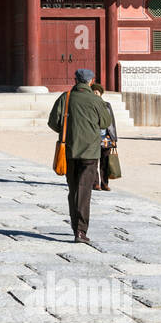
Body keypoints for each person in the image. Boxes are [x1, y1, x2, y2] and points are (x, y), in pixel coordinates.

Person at [48, 67, 113, 244]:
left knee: (73, 190)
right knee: (84, 192)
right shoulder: (95, 99)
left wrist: (67, 132)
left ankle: (75, 225)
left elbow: (53, 122)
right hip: (91, 152)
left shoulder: (66, 97)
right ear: (91, 82)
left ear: (75, 80)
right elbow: (106, 122)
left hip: (69, 150)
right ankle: (81, 231)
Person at [91, 81, 118, 191]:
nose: (95, 93)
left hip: (106, 137)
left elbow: (112, 122)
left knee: (105, 161)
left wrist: (114, 138)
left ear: (101, 93)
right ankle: (95, 183)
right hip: (93, 137)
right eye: (93, 92)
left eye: (97, 92)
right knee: (93, 162)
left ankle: (104, 183)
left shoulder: (107, 105)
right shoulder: (90, 105)